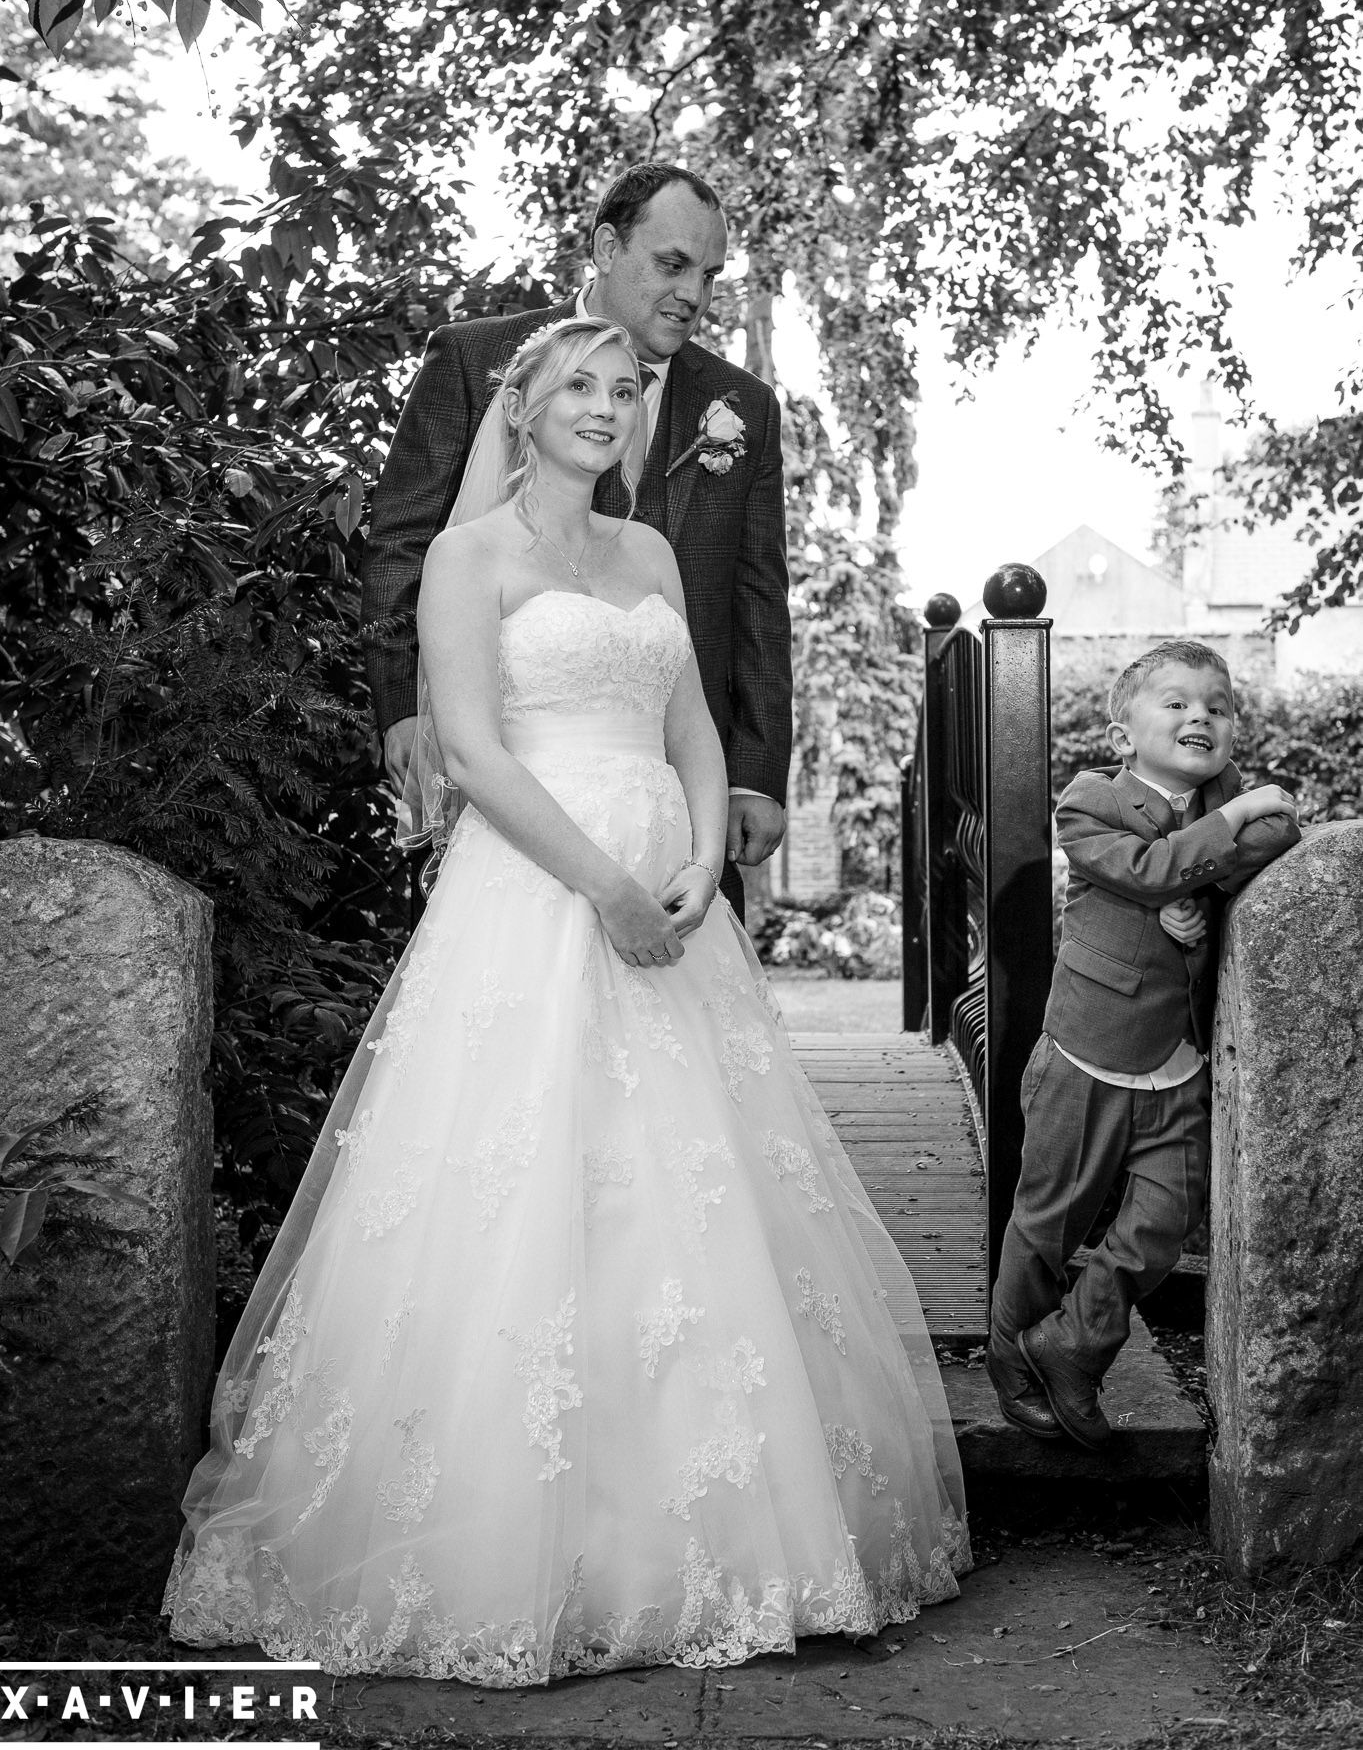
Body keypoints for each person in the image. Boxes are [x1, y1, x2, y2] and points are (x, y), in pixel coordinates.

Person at [163, 317, 970, 1682]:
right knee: (522, 1184)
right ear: (520, 407)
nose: (605, 407)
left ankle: (718, 1533)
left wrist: (703, 860)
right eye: (578, 388)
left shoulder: (648, 551)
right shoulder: (465, 561)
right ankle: (513, 1547)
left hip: (670, 893)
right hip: (538, 895)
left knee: (688, 1189)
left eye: (624, 389)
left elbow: (695, 730)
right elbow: (473, 753)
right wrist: (601, 886)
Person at [361, 159, 792, 917]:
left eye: (711, 274)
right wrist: (406, 707)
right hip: (516, 761)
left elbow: (759, 597)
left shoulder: (742, 406)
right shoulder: (474, 360)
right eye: (672, 264)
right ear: (603, 247)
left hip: (681, 782)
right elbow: (401, 540)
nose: (693, 294)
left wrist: (752, 772)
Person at [986, 640, 1301, 1449]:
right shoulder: (1088, 801)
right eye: (1176, 703)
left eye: (1218, 708)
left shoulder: (1231, 804)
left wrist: (1192, 876)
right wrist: (1208, 842)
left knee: (1165, 1219)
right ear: (1122, 731)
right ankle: (1010, 1356)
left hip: (1178, 1062)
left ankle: (1072, 1344)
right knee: (1046, 1220)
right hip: (1087, 1052)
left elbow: (1279, 830)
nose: (1200, 716)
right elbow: (1144, 869)